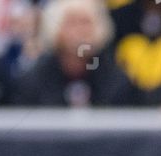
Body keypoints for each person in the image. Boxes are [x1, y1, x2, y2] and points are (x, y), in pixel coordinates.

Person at [14, 0, 143, 108]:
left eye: (86, 22)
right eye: (71, 23)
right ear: (54, 28)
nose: (80, 31)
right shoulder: (34, 78)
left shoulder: (115, 77)